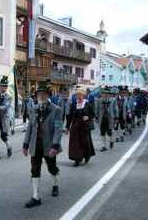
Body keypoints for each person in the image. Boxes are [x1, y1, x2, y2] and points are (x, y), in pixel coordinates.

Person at [23, 79, 63, 208]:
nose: (41, 96)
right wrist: (25, 144)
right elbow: (30, 127)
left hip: (49, 145)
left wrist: (55, 146)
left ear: (48, 95)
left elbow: (58, 129)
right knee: (35, 169)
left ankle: (55, 184)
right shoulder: (34, 108)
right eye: (39, 94)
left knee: (52, 168)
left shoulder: (56, 110)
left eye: (43, 94)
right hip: (36, 145)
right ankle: (36, 196)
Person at [65, 87, 95, 167]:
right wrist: (67, 127)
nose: (78, 96)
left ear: (84, 95)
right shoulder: (74, 104)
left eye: (80, 95)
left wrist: (88, 117)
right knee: (75, 143)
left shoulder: (88, 104)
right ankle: (77, 159)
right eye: (77, 95)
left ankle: (87, 155)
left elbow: (93, 114)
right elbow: (70, 116)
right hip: (76, 126)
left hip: (85, 126)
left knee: (86, 141)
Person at [95, 86, 119, 151]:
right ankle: (104, 146)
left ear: (109, 94)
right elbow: (97, 109)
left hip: (110, 118)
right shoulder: (99, 100)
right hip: (102, 118)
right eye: (103, 93)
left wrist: (116, 118)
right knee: (102, 132)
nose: (105, 95)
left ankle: (111, 141)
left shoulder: (113, 100)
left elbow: (116, 109)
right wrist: (96, 117)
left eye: (106, 93)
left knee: (109, 132)